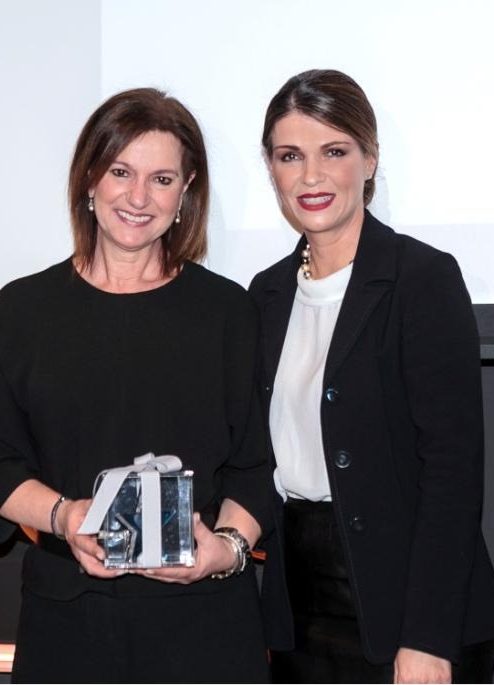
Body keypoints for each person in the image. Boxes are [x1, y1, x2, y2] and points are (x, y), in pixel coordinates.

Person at [0, 87, 270, 684]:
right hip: (67, 626)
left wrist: (224, 550)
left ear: (187, 191)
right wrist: (65, 517)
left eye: (162, 179)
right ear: (89, 178)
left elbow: (255, 467)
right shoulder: (20, 312)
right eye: (121, 171)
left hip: (207, 631)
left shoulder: (228, 312)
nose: (139, 197)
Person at [249, 69, 494, 684]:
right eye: (290, 156)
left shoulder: (422, 279)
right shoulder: (266, 294)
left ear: (370, 159)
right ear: (272, 169)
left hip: (406, 605)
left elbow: (452, 473)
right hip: (298, 611)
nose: (311, 175)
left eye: (334, 151)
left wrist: (427, 638)